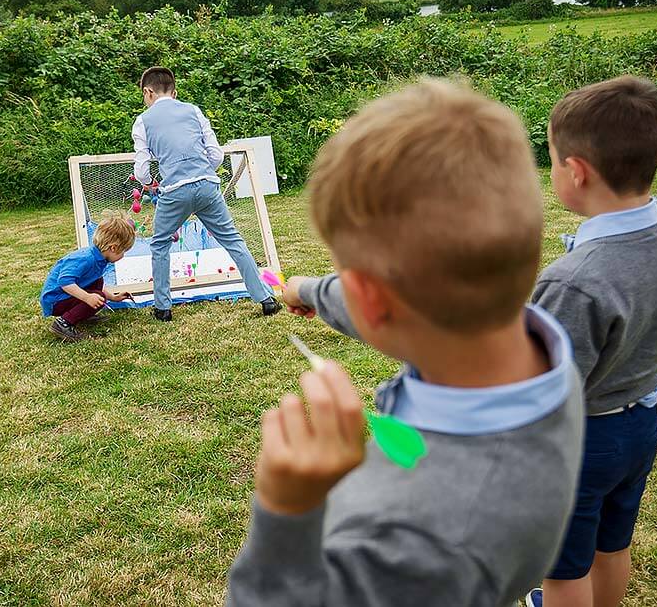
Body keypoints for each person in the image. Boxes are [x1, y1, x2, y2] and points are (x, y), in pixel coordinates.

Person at [226, 79, 584, 606]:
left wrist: (287, 510)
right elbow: (392, 302)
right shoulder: (533, 347)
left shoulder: (424, 541)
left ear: (373, 299)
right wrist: (308, 289)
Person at [525, 77, 657, 607]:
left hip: (581, 439)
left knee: (562, 569)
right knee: (611, 542)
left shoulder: (571, 280)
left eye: (553, 160)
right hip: (640, 424)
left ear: (576, 172)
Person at [131, 66, 279, 321]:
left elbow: (142, 170)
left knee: (160, 244)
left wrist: (151, 183)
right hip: (208, 185)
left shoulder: (143, 121)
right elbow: (216, 154)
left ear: (148, 92)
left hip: (174, 191)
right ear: (174, 92)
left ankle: (163, 307)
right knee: (233, 240)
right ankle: (265, 298)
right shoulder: (193, 111)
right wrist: (201, 173)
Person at [41, 211, 136, 342]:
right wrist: (87, 297)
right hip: (55, 300)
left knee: (98, 282)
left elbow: (96, 285)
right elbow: (64, 282)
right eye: (123, 251)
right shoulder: (86, 259)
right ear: (113, 248)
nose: (123, 256)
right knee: (98, 296)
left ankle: (82, 315)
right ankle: (63, 323)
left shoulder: (100, 259)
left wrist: (114, 297)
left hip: (65, 296)